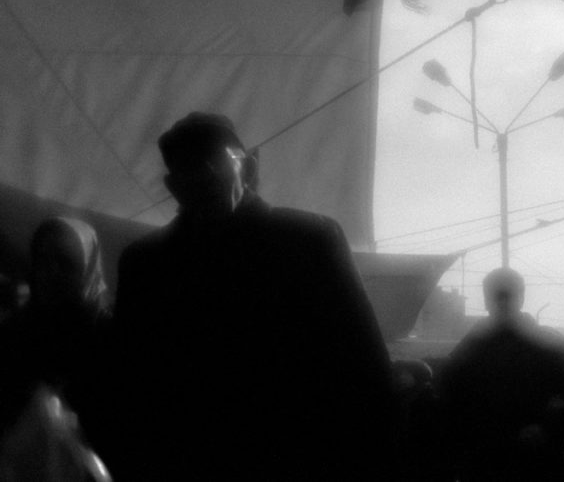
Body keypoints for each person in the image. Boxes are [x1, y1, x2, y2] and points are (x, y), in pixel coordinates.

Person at [114, 112, 394, 480]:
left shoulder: (309, 241)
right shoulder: (145, 265)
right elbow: (130, 391)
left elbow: (365, 374)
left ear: (249, 166)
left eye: (217, 159)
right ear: (172, 185)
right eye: (189, 165)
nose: (206, 174)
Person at [438, 267, 564, 482]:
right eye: (497, 296)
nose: (502, 302)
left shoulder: (547, 347)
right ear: (487, 300)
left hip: (526, 466)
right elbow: (447, 410)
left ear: (521, 297)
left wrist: (548, 429)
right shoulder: (470, 349)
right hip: (491, 465)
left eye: (507, 295)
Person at [0, 217, 115, 479]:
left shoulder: (108, 336)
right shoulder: (16, 330)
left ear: (86, 267)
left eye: (65, 262)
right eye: (42, 259)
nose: (52, 271)